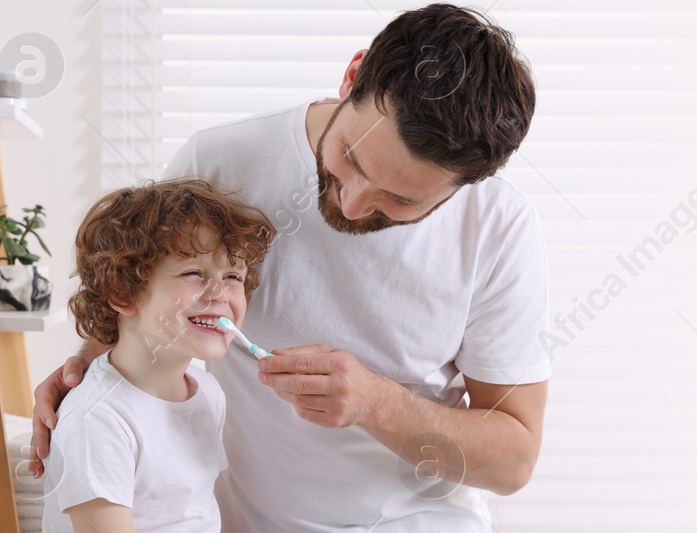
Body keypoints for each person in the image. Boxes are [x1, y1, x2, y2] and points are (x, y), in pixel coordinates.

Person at [32, 4, 550, 531]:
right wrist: (87, 376)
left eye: (399, 200)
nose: (351, 204)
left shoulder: (498, 228)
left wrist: (377, 404)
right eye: (350, 157)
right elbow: (142, 296)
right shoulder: (219, 162)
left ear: (466, 186)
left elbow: (514, 460)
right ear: (352, 76)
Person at [42, 179, 276, 532]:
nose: (219, 292)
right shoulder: (97, 421)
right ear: (122, 293)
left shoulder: (206, 391)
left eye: (232, 275)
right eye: (193, 273)